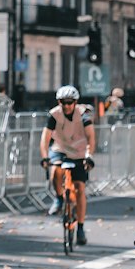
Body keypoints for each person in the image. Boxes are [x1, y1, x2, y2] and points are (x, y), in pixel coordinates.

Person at [39, 85, 96, 245]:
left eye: (70, 102)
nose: (67, 106)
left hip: (79, 152)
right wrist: (44, 157)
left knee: (80, 189)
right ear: (59, 102)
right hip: (60, 149)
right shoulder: (54, 115)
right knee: (55, 170)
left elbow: (91, 137)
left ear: (75, 102)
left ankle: (81, 228)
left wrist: (89, 155)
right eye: (64, 102)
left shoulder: (83, 114)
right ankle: (58, 198)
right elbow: (45, 139)